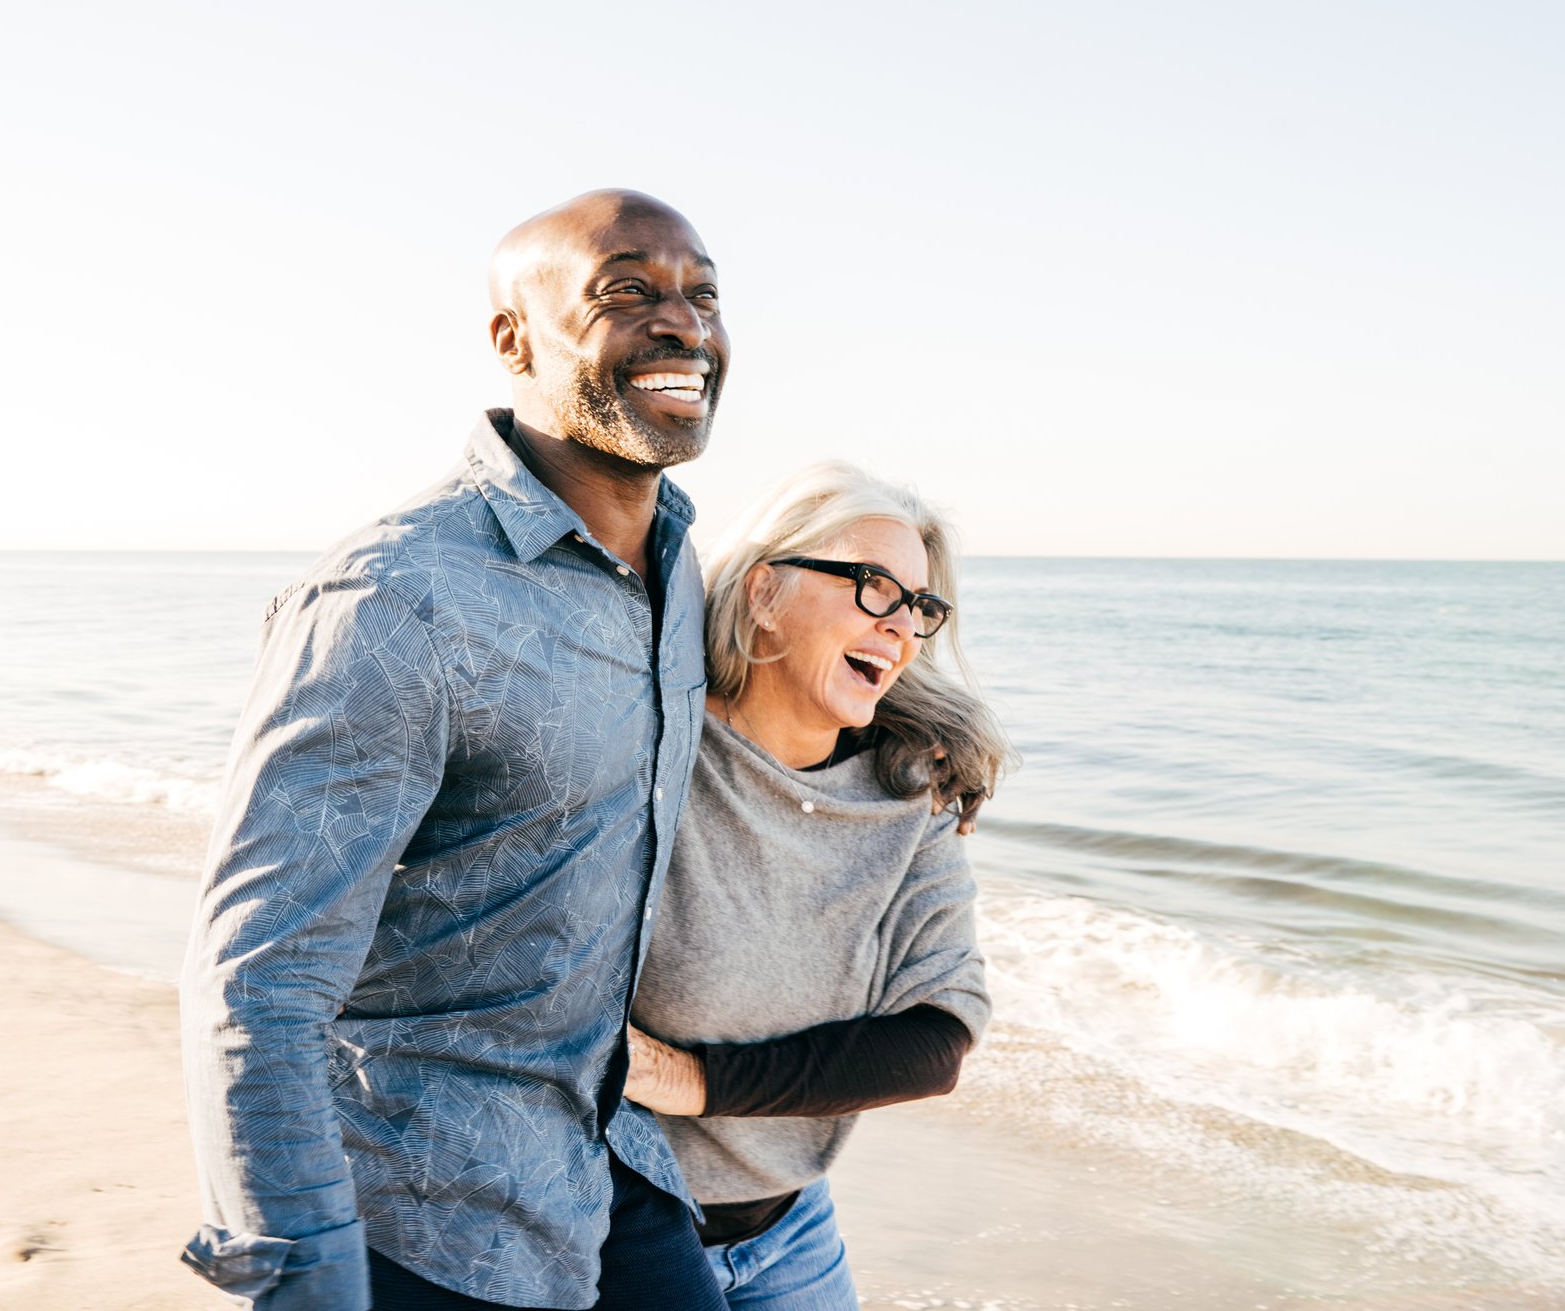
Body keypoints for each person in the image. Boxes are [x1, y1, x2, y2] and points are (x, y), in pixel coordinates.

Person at [180, 190, 735, 1309]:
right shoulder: (395, 600)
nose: (681, 323)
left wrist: (939, 749)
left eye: (702, 293)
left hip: (604, 1158)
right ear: (511, 339)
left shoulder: (679, 573)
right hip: (419, 1207)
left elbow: (795, 692)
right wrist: (306, 1275)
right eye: (625, 290)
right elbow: (255, 980)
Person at [622, 461, 1014, 1309]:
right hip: (611, 1220)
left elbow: (936, 1041)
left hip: (789, 1232)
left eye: (919, 607)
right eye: (874, 588)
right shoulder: (649, 756)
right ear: (764, 592)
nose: (902, 628)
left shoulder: (912, 794)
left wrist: (690, 1080)